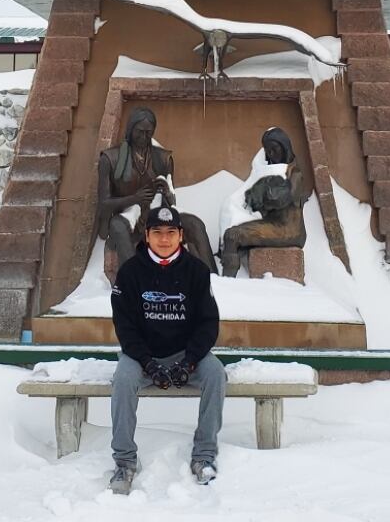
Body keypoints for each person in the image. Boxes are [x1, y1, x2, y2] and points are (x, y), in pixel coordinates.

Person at [108, 204, 226, 495]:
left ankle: (204, 456)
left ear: (181, 236)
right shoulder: (130, 272)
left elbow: (208, 322)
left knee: (216, 375)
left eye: (170, 233)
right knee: (122, 379)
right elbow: (125, 326)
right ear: (146, 236)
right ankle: (124, 462)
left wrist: (189, 362)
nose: (164, 239)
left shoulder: (197, 271)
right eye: (157, 233)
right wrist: (147, 363)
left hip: (185, 356)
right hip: (141, 357)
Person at [97, 107, 217, 272]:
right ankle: (134, 282)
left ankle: (212, 280)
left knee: (195, 224)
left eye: (149, 132)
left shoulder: (163, 158)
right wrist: (135, 199)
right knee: (118, 227)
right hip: (127, 215)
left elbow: (171, 202)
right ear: (131, 130)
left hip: (157, 213)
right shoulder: (110, 159)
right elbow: (103, 203)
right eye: (139, 132)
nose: (144, 137)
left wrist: (167, 192)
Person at [221, 127, 309, 277]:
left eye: (275, 149)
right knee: (232, 234)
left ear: (284, 147)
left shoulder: (295, 174)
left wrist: (263, 192)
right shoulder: (271, 173)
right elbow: (250, 199)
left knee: (232, 236)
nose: (271, 154)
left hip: (288, 230)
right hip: (274, 225)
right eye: (268, 151)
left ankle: (228, 284)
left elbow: (280, 199)